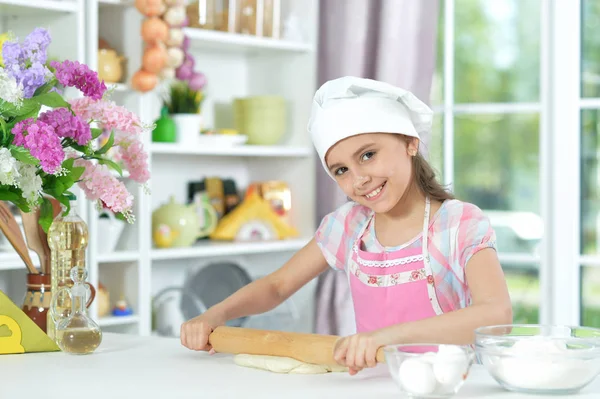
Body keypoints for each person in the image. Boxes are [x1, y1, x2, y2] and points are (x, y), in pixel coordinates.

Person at [180, 76, 513, 375]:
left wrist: (387, 338)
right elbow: (277, 287)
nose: (360, 180)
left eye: (368, 155)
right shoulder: (349, 226)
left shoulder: (458, 223)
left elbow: (496, 314)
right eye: (341, 170)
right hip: (370, 385)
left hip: (447, 385)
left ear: (411, 142)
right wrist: (216, 314)